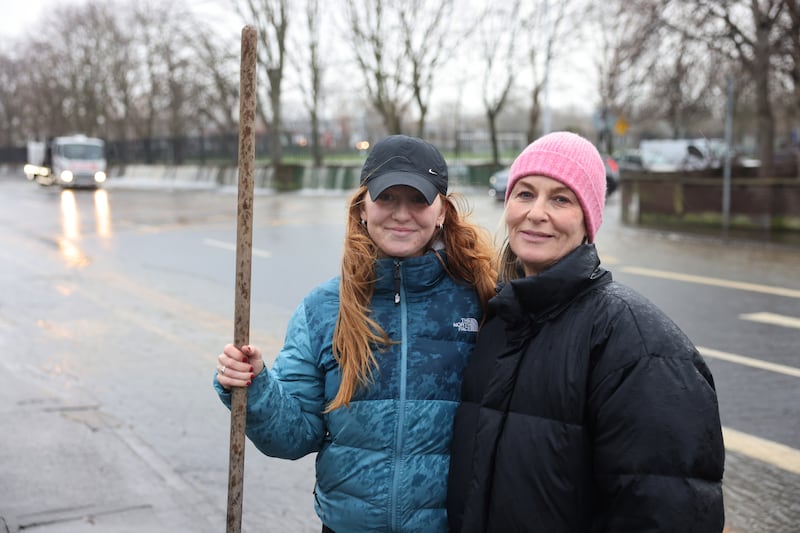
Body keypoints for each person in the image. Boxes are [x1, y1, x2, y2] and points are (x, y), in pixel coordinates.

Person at [214, 134, 497, 533]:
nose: (402, 214)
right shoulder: (323, 308)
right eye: (386, 198)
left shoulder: (480, 301)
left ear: (442, 213)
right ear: (362, 209)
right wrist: (256, 388)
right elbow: (294, 436)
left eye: (418, 200)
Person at [446, 131, 725, 532]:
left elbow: (668, 512)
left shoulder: (636, 343)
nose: (536, 212)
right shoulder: (498, 323)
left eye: (560, 199)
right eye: (524, 194)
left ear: (588, 219)